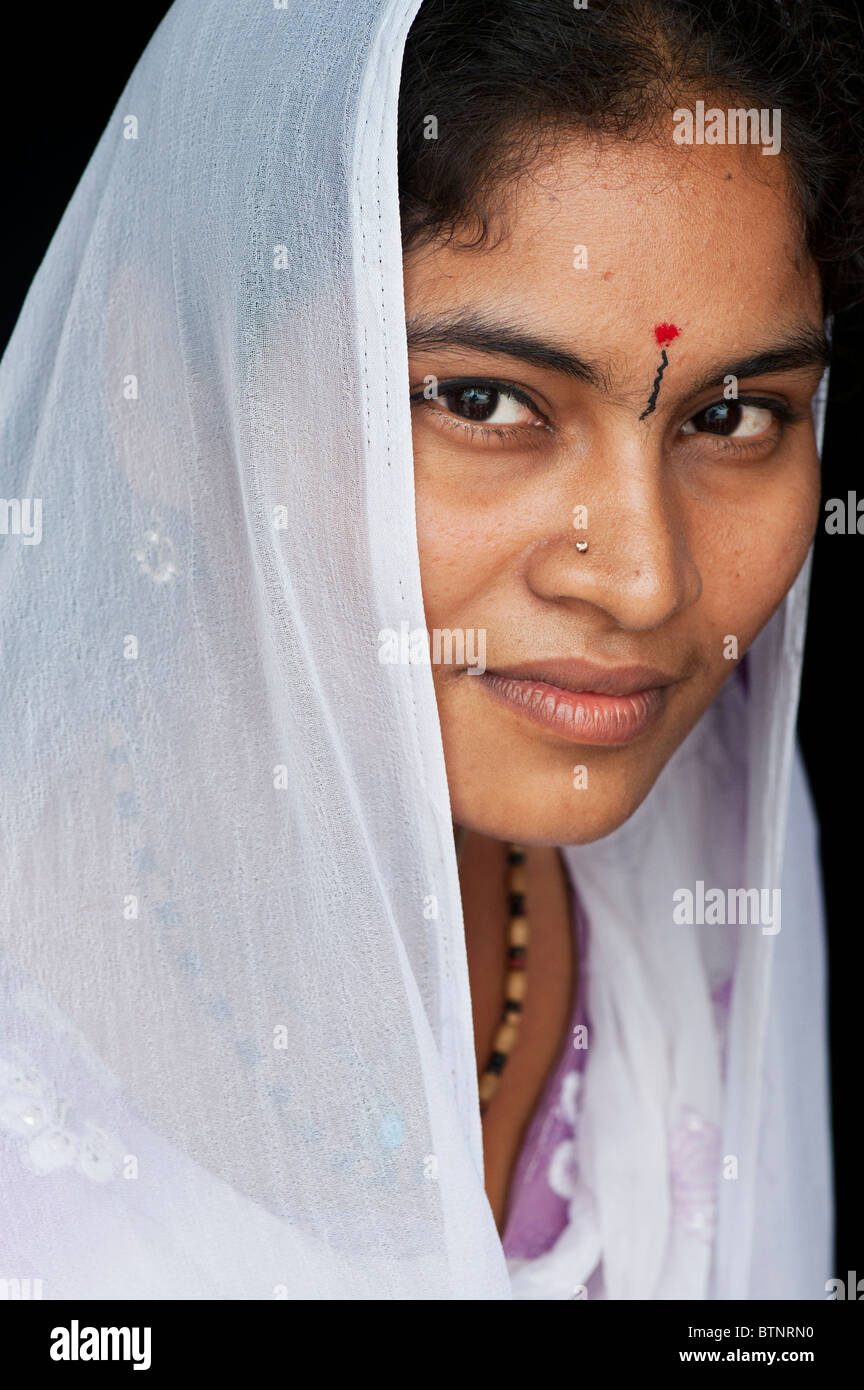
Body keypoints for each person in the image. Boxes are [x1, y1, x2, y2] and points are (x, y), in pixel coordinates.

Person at [0, 0, 857, 1300]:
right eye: (482, 401)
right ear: (163, 392)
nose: (644, 578)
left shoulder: (718, 832)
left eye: (734, 414)